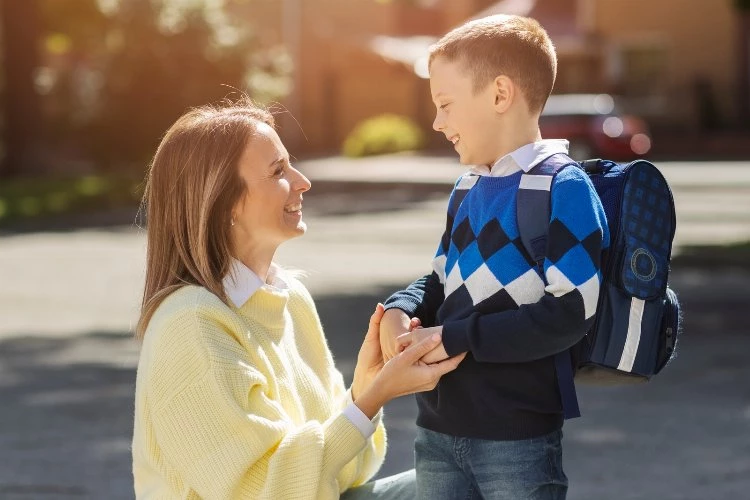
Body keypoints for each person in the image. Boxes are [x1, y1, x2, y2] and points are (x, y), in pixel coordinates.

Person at [131, 99, 465, 499]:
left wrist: (363, 391)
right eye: (278, 171)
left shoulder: (290, 298)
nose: (303, 180)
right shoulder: (190, 325)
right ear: (225, 202)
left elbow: (345, 476)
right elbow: (263, 492)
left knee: (469, 480)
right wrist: (375, 397)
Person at [379, 15, 610, 500]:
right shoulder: (467, 188)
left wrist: (457, 337)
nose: (438, 122)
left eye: (445, 105)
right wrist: (402, 307)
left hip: (517, 439)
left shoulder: (562, 187)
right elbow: (441, 279)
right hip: (437, 430)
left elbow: (570, 311)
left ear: (501, 95)